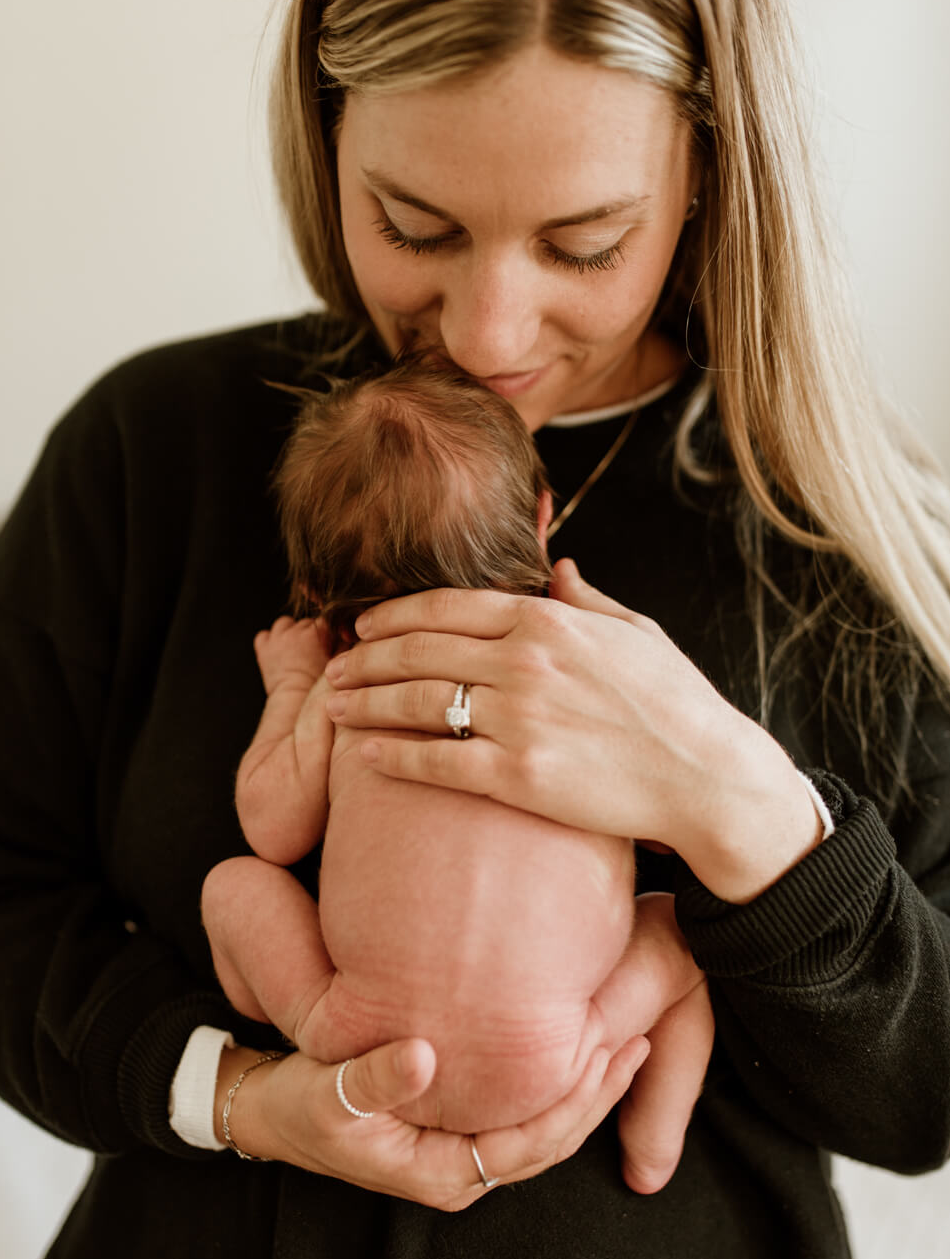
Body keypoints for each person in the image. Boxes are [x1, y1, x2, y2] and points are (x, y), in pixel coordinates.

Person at [0, 0, 949, 1259]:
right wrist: (240, 1095)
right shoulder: (156, 453)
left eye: (584, 244)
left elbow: (924, 1090)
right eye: (413, 226)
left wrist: (743, 807)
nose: (487, 333)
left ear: (709, 169)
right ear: (324, 134)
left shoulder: (830, 540)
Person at [202, 357, 711, 1131]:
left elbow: (271, 832)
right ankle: (652, 1131)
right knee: (682, 929)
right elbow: (674, 832)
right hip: (552, 1057)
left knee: (232, 886)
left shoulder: (348, 687)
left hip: (360, 1050)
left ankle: (304, 1016)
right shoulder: (591, 683)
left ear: (313, 594)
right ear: (543, 519)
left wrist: (290, 689)